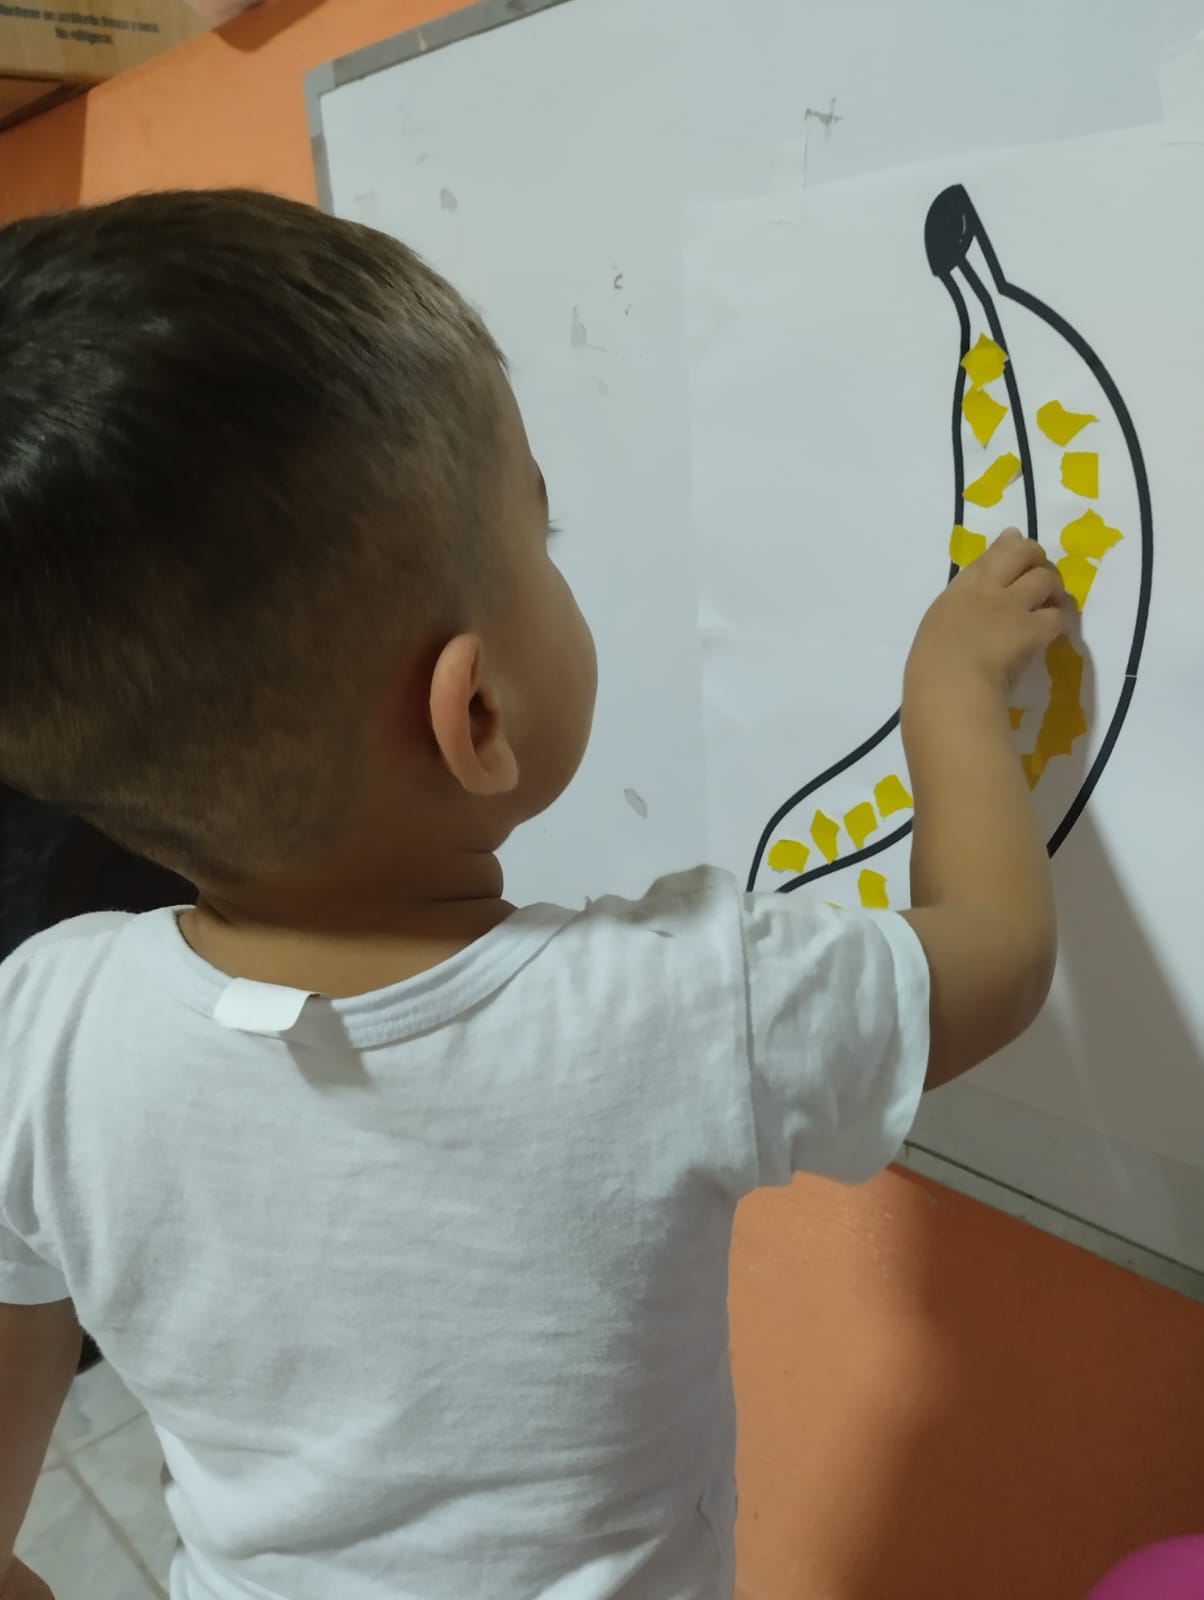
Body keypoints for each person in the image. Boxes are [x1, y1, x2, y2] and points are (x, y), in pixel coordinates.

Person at [0, 191, 1070, 1600]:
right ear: (480, 714)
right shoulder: (683, 1008)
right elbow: (998, 954)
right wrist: (950, 694)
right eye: (544, 537)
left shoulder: (40, 1028)